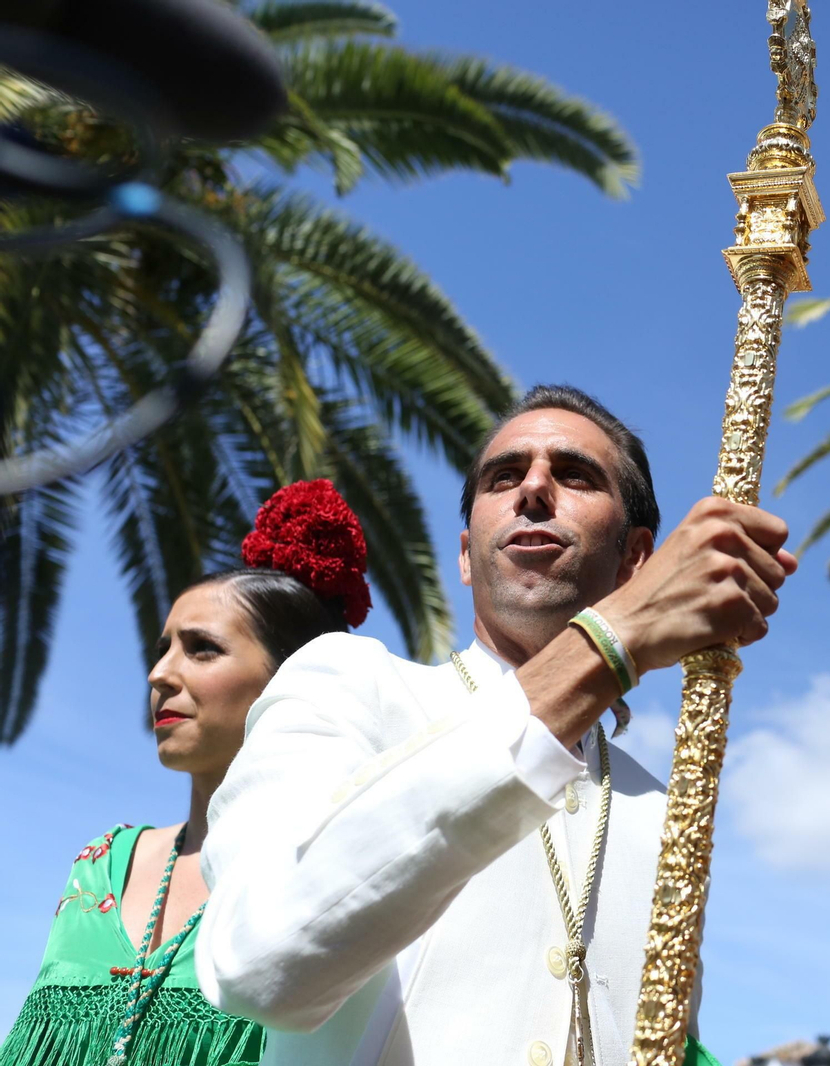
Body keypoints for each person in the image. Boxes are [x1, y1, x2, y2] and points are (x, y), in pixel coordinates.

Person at [195, 385, 795, 1066]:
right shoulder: (346, 686)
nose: (533, 489)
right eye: (503, 476)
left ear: (635, 560)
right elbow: (258, 962)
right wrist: (607, 642)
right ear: (463, 554)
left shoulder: (665, 810)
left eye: (574, 475)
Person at [0, 479, 374, 1066]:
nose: (159, 674)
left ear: (290, 681)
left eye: (201, 649)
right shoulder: (98, 866)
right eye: (163, 647)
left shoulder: (326, 870)